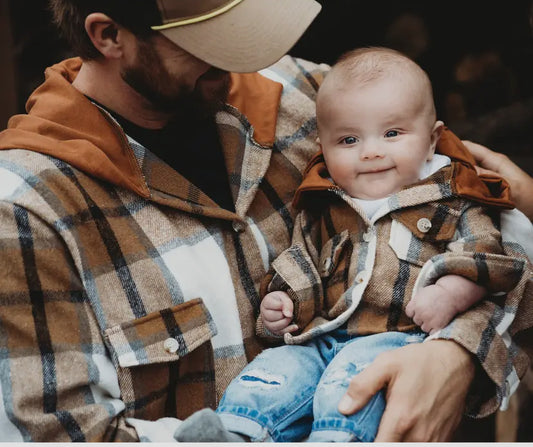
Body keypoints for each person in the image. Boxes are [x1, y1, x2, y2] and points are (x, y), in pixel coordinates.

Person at [0, 0, 530, 442]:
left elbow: (508, 248)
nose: (240, 57)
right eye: (211, 39)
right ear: (109, 35)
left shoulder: (314, 96)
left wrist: (461, 356)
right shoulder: (30, 211)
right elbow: (63, 435)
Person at [173, 47, 533, 443]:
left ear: (431, 141)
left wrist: (452, 291)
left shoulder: (451, 197)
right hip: (320, 335)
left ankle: (335, 437)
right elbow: (303, 259)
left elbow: (489, 257)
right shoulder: (324, 205)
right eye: (348, 139)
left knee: (348, 387)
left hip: (396, 339)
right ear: (323, 149)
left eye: (392, 133)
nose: (372, 151)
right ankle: (237, 429)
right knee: (274, 372)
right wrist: (283, 299)